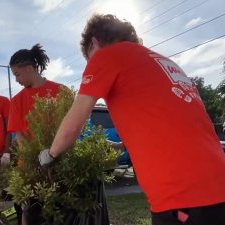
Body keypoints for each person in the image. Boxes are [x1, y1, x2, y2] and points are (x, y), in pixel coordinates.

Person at [39, 14, 225, 225]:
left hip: (182, 196)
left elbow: (74, 122)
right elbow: (165, 119)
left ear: (94, 42)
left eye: (88, 57)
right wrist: (119, 145)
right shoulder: (164, 62)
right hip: (218, 183)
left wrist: (50, 154)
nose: (90, 63)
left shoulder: (106, 56)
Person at [7, 43, 70, 225]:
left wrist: (53, 157)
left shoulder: (61, 91)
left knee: (61, 214)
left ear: (29, 68)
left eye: (17, 74)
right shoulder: (17, 101)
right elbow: (20, 137)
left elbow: (70, 127)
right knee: (31, 213)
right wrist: (36, 163)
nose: (17, 80)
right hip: (31, 168)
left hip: (60, 165)